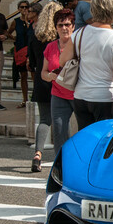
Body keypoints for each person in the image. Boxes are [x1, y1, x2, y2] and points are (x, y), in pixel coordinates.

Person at [59, 0, 113, 130]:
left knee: (86, 140)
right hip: (105, 98)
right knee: (104, 143)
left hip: (81, 96)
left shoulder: (79, 33)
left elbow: (62, 61)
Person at [28, 1, 62, 172]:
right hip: (59, 80)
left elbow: (32, 62)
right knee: (61, 120)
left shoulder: (35, 35)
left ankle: (38, 154)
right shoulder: (61, 37)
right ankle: (62, 159)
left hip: (41, 81)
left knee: (44, 120)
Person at [40, 8, 76, 155]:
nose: (64, 28)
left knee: (83, 132)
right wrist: (49, 76)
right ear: (55, 28)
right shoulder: (50, 47)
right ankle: (60, 166)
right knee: (59, 132)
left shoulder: (79, 45)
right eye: (60, 25)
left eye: (67, 24)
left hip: (78, 94)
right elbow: (43, 72)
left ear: (73, 26)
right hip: (58, 94)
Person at [6, 0, 31, 108]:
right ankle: (25, 99)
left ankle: (34, 98)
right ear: (19, 9)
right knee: (23, 75)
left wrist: (27, 20)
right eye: (22, 7)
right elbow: (7, 32)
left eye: (26, 7)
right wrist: (14, 38)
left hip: (30, 49)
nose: (24, 9)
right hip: (21, 50)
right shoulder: (16, 21)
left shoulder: (32, 21)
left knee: (34, 74)